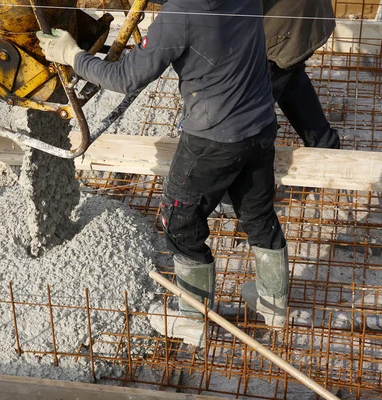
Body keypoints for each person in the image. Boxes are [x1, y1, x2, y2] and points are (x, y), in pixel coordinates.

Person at [37, 0, 290, 346]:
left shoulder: (180, 14)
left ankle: (191, 318)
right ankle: (273, 303)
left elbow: (125, 77)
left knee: (181, 222)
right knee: (258, 212)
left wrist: (72, 55)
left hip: (212, 140)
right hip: (260, 125)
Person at [264, 0, 340, 149]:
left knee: (247, 112)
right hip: (295, 20)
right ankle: (325, 147)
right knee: (289, 78)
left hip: (280, 30)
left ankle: (258, 162)